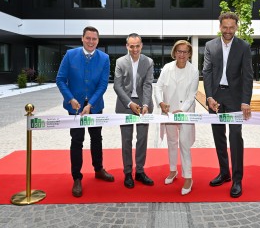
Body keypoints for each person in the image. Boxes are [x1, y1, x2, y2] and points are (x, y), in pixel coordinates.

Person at [56, 26, 114, 197]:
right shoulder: (70, 55)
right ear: (82, 38)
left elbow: (103, 84)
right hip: (74, 108)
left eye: (94, 39)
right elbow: (60, 79)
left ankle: (98, 169)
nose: (91, 42)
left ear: (98, 40)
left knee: (96, 138)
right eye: (88, 38)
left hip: (95, 107)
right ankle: (77, 178)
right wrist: (70, 98)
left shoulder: (104, 58)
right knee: (77, 140)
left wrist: (91, 104)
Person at [202, 12, 253, 198]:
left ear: (236, 27)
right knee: (218, 136)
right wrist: (209, 97)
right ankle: (224, 173)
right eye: (225, 27)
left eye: (232, 27)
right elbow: (206, 72)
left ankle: (237, 180)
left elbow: (248, 75)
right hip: (215, 98)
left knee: (235, 136)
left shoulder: (243, 47)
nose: (228, 31)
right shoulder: (210, 46)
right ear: (220, 27)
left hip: (235, 98)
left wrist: (246, 101)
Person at [154, 40, 199, 195]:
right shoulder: (167, 68)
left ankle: (188, 177)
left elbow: (192, 95)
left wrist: (183, 110)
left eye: (185, 52)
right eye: (179, 51)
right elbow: (158, 87)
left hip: (185, 112)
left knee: (184, 144)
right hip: (169, 111)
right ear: (174, 53)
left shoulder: (193, 71)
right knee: (172, 142)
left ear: (189, 54)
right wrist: (160, 102)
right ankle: (173, 170)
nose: (181, 54)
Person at [113, 33, 155, 189]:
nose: (135, 49)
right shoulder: (120, 62)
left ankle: (140, 171)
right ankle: (127, 173)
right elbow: (117, 86)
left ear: (141, 45)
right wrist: (130, 103)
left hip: (143, 105)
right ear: (127, 46)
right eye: (132, 46)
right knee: (126, 140)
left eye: (137, 46)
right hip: (125, 105)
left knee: (142, 139)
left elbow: (148, 85)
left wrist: (145, 104)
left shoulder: (148, 62)